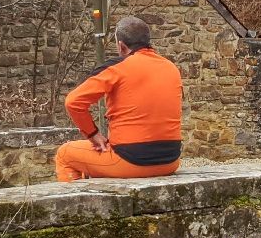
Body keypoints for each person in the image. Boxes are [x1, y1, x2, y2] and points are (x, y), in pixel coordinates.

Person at [55, 16, 183, 182]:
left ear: (121, 46)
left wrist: (93, 134)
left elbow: (73, 102)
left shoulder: (117, 68)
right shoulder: (171, 67)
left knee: (64, 154)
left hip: (130, 160)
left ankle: (79, 199)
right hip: (170, 162)